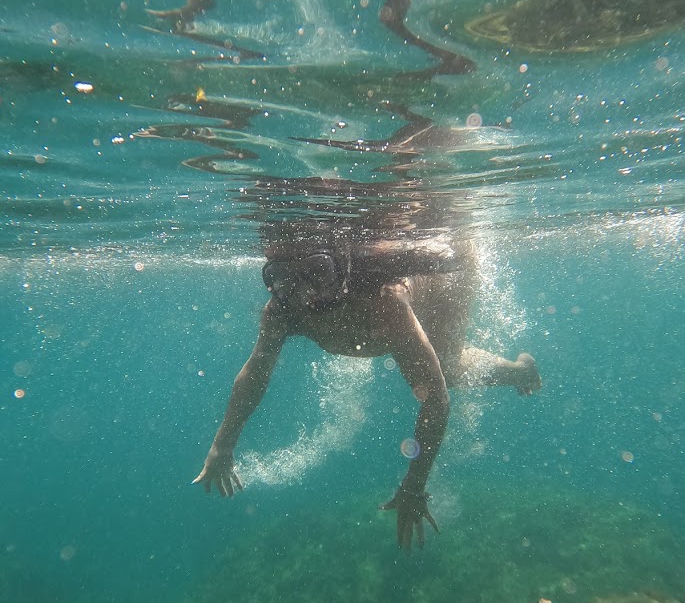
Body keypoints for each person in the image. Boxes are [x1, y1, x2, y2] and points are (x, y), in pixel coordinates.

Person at [193, 229, 541, 548]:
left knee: (446, 371)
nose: (304, 294)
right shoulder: (282, 310)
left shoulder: (385, 301)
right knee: (443, 371)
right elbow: (256, 373)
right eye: (282, 277)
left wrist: (414, 486)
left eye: (317, 272)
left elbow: (436, 401)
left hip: (447, 270)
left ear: (341, 269)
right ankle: (520, 373)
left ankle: (521, 372)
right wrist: (222, 445)